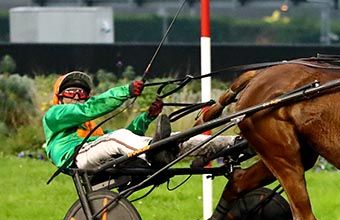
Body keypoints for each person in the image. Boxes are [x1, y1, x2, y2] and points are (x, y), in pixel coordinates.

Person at [43, 71, 234, 171]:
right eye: (71, 92)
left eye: (82, 92)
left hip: (96, 153)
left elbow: (129, 136)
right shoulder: (54, 114)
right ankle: (154, 150)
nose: (77, 96)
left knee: (177, 139)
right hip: (74, 158)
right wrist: (125, 91)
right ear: (59, 97)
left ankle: (231, 143)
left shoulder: (92, 130)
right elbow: (88, 109)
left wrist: (147, 117)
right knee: (117, 138)